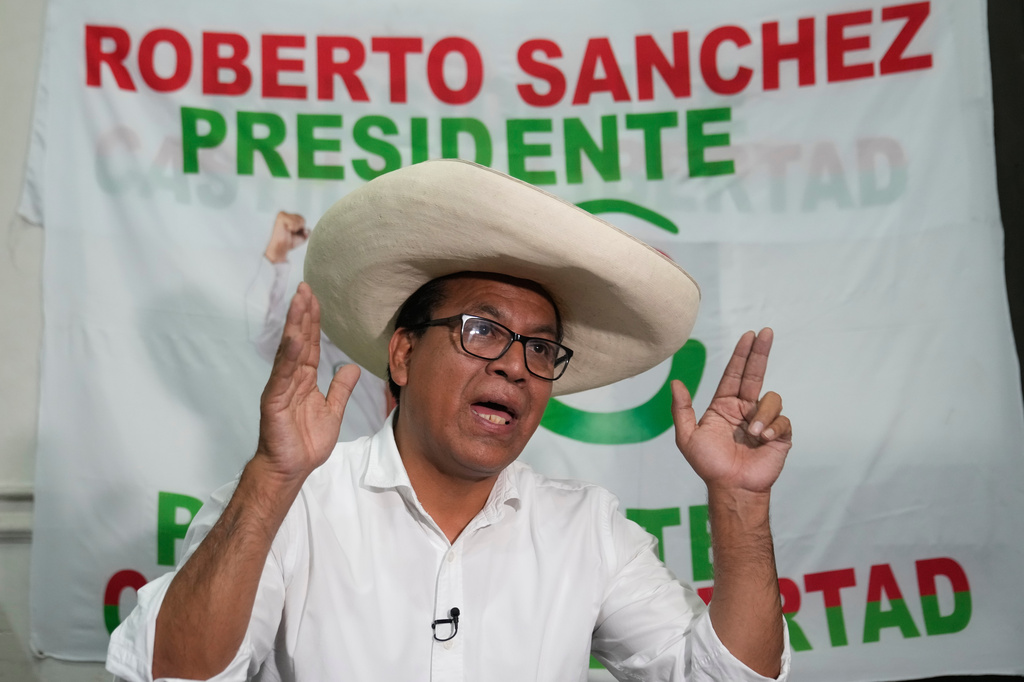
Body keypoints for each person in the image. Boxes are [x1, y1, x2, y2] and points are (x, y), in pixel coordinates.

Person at [107, 160, 793, 681]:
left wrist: (740, 503)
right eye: (481, 331)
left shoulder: (587, 528)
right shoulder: (295, 504)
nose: (516, 366)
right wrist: (271, 480)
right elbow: (174, 677)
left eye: (541, 348)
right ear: (403, 354)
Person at [245, 210, 391, 441]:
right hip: (316, 458)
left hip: (370, 456)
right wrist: (276, 254)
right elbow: (261, 330)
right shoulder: (306, 336)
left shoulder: (382, 332)